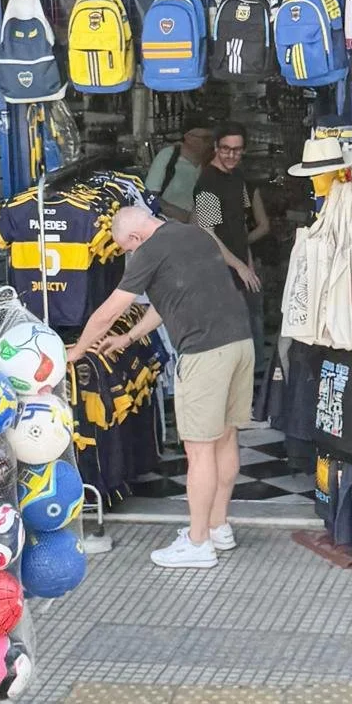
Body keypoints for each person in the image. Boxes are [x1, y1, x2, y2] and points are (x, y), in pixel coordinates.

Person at [69, 205, 255, 569]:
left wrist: (75, 353)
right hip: (240, 343)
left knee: (199, 451)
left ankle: (198, 542)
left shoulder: (149, 250)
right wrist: (130, 338)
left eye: (125, 248)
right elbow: (170, 300)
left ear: (135, 238)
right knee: (226, 438)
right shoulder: (194, 233)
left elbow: (108, 312)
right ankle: (219, 526)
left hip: (204, 353)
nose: (127, 254)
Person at [192, 122, 270, 375]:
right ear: (216, 147)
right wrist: (238, 266)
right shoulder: (208, 182)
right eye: (226, 149)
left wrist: (247, 263)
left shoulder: (237, 177)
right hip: (219, 271)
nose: (231, 155)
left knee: (251, 324)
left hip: (240, 266)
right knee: (231, 333)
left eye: (237, 150)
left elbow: (241, 227)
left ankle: (253, 377)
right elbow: (207, 232)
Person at [145, 127, 213, 222]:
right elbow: (150, 196)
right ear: (188, 137)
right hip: (170, 223)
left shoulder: (212, 162)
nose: (210, 143)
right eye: (206, 139)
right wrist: (184, 216)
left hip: (201, 226)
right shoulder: (168, 156)